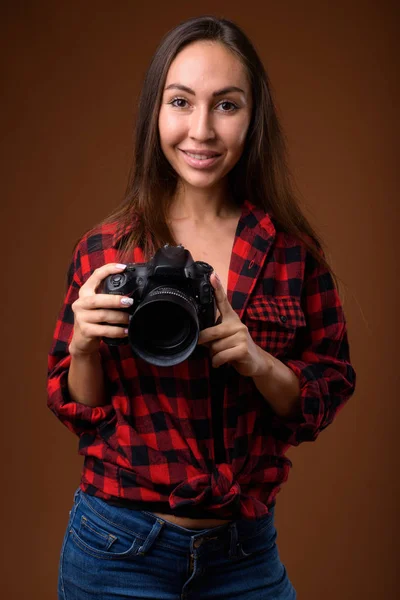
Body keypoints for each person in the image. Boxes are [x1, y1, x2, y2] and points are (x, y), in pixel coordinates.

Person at [48, 15, 356, 600]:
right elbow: (82, 413)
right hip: (117, 548)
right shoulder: (106, 251)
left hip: (246, 555)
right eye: (182, 102)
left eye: (227, 105)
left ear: (252, 117)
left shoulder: (293, 254)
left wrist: (256, 359)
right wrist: (85, 347)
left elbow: (329, 386)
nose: (202, 130)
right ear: (155, 114)